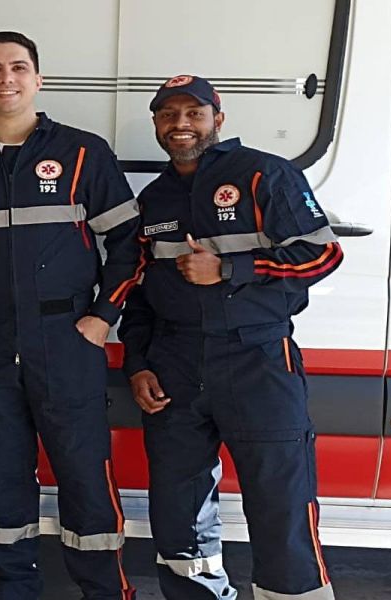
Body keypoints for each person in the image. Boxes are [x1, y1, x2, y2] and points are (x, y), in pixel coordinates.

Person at [0, 31, 141, 600]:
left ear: (38, 80)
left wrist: (102, 318)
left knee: (85, 473)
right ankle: (12, 587)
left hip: (67, 338)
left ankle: (104, 591)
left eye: (18, 67)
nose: (6, 78)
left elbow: (129, 241)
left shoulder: (83, 152)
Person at [119, 75, 343, 600]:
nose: (180, 124)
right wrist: (138, 364)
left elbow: (323, 255)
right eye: (168, 114)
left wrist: (231, 268)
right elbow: (140, 295)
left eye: (193, 113)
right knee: (178, 508)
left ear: (218, 119)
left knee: (279, 502)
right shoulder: (153, 199)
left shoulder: (265, 173)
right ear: (156, 123)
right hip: (174, 363)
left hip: (257, 356)